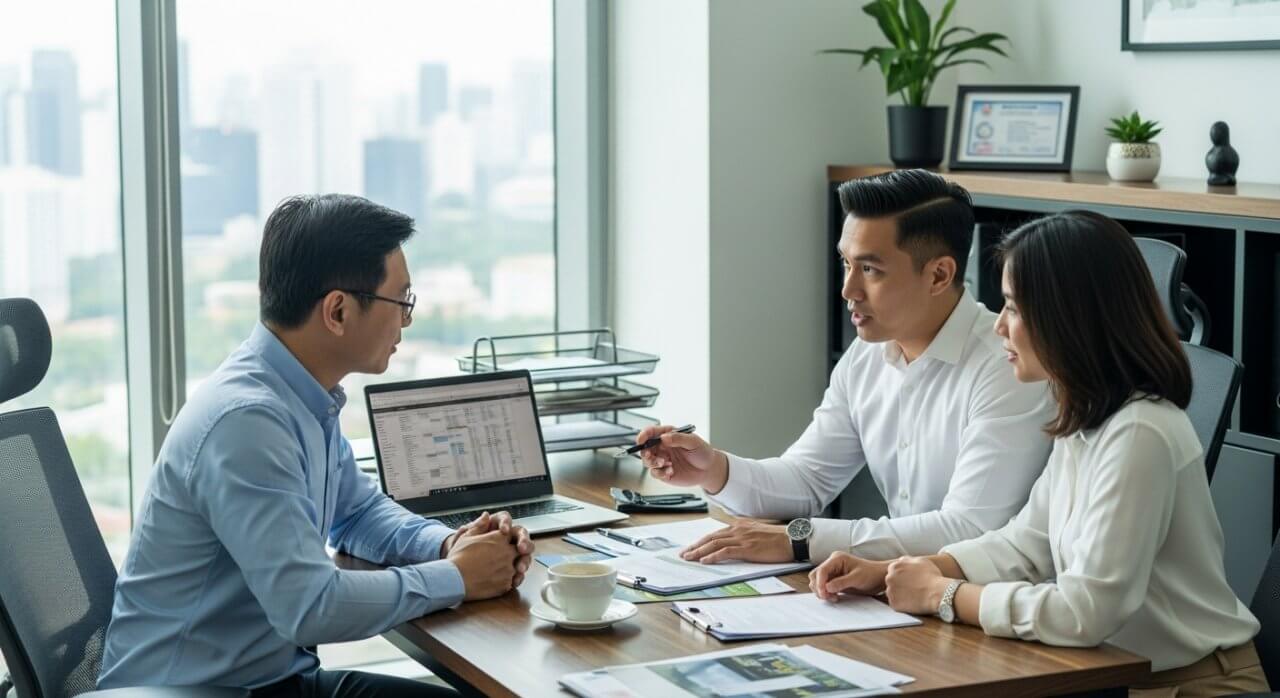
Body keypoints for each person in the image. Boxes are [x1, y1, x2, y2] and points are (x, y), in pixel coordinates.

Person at [811, 210, 1268, 696]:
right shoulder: (1087, 419)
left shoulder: (1140, 431)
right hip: (1116, 677)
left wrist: (944, 595)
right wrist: (901, 572)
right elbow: (1024, 544)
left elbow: (1084, 611)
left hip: (1195, 686)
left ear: (1069, 316)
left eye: (1013, 307)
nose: (1000, 327)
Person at [98, 194, 533, 697]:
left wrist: (446, 543)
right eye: (402, 301)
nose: (406, 322)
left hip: (277, 682)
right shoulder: (247, 422)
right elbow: (310, 607)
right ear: (338, 310)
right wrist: (455, 577)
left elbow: (358, 514)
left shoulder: (301, 396)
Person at [639, 169, 1054, 565]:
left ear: (939, 275)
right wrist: (713, 469)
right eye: (846, 263)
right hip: (906, 596)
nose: (847, 290)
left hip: (994, 611)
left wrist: (801, 540)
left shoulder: (1008, 367)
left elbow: (969, 530)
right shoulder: (866, 355)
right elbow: (806, 480)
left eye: (870, 269)